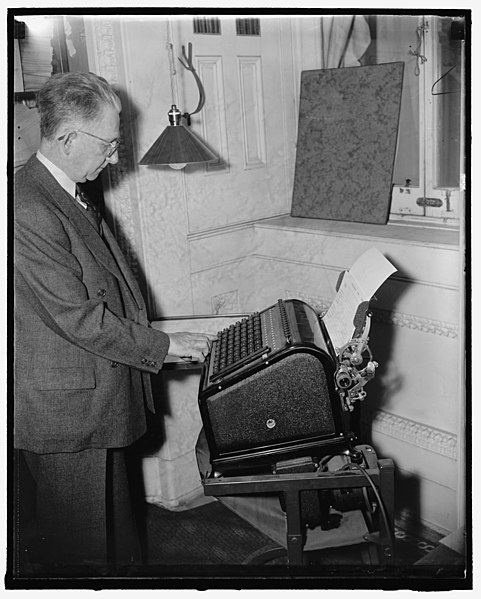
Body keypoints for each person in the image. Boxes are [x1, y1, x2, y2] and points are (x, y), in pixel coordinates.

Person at [13, 71, 215, 575]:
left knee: (115, 541)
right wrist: (164, 345)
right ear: (68, 139)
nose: (115, 156)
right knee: (79, 556)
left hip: (97, 397)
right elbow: (77, 317)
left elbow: (110, 288)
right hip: (67, 413)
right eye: (108, 144)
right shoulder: (27, 206)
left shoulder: (67, 189)